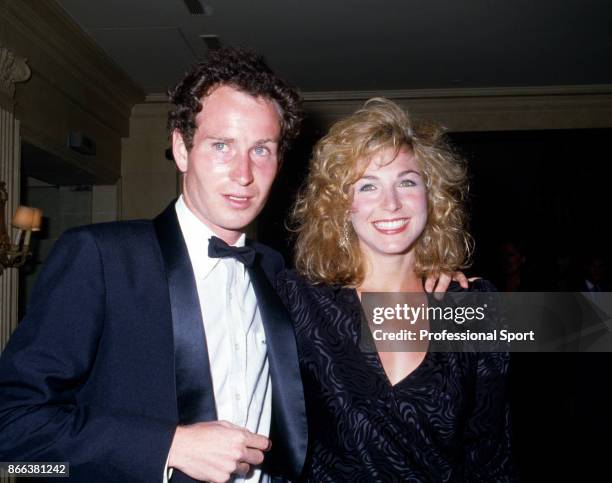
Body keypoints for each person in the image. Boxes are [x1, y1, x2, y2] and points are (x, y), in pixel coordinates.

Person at [0, 48, 307, 483]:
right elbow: (10, 430)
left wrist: (431, 295)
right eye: (222, 146)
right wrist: (168, 445)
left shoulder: (276, 271)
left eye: (262, 150)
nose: (244, 173)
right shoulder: (100, 257)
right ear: (182, 149)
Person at [278, 98, 515, 481]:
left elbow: (491, 452)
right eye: (368, 186)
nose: (391, 204)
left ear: (432, 197)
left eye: (407, 182)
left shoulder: (474, 305)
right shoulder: (298, 299)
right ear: (341, 205)